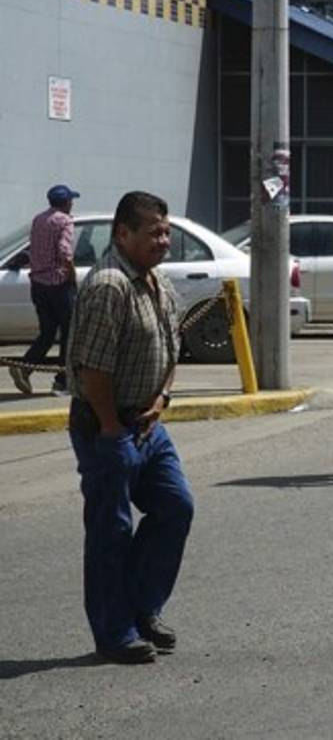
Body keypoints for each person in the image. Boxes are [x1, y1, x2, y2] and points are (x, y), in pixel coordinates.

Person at [65, 191, 193, 665]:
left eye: (166, 231)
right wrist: (112, 430)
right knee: (110, 530)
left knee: (175, 507)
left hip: (147, 422)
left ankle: (142, 609)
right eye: (153, 232)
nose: (163, 240)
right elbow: (93, 370)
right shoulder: (109, 286)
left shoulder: (156, 282)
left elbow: (172, 347)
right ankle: (114, 631)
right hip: (107, 426)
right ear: (123, 234)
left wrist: (162, 398)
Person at [11, 184, 79, 395]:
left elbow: (34, 249)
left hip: (38, 285)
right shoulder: (65, 221)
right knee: (70, 333)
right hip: (58, 285)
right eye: (71, 201)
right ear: (66, 203)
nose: (72, 204)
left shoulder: (39, 219)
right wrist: (72, 272)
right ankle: (62, 381)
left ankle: (25, 368)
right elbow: (65, 251)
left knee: (48, 333)